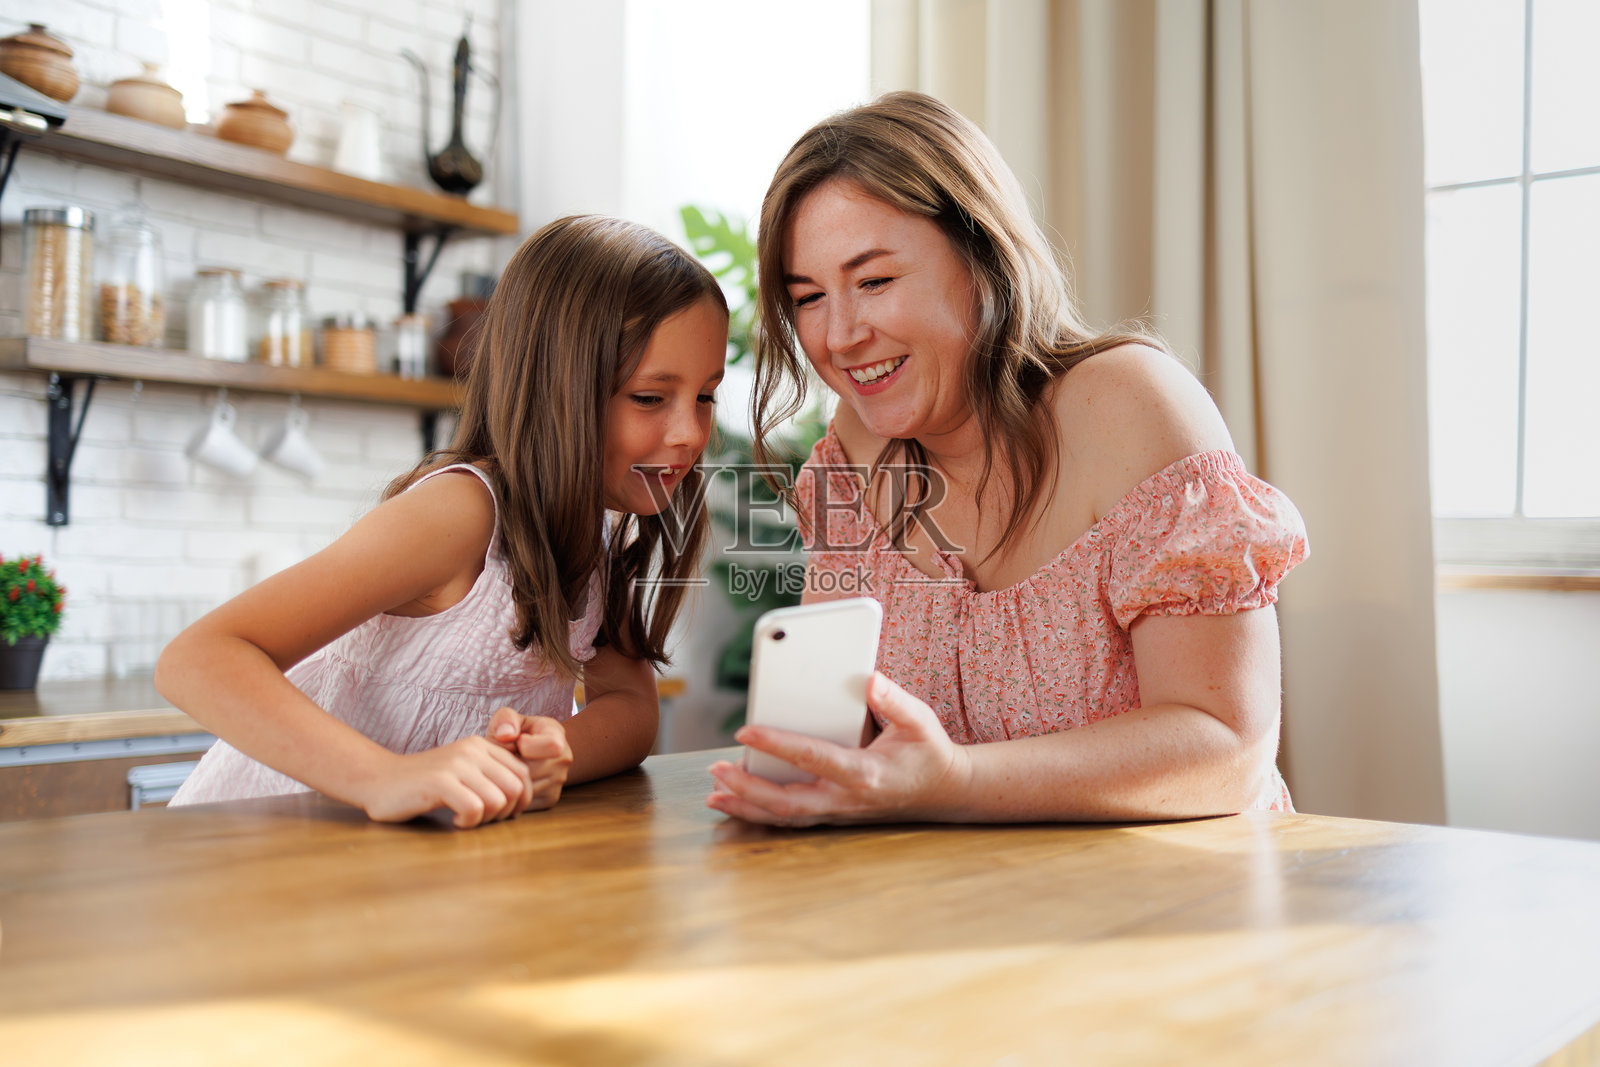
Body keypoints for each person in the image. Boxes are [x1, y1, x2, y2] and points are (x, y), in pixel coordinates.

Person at [707, 92, 1308, 826]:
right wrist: (818, 770)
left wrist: (955, 778)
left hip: (1178, 902)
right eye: (808, 297)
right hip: (969, 902)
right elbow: (844, 726)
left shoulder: (1131, 406)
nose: (838, 336)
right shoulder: (856, 448)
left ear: (981, 254)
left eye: (873, 281)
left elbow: (1228, 755)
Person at [159, 215, 728, 828]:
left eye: (706, 396)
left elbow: (631, 704)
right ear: (555, 386)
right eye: (650, 397)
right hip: (262, 854)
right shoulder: (460, 514)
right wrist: (382, 777)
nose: (690, 433)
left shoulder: (590, 530)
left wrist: (556, 755)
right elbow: (199, 658)